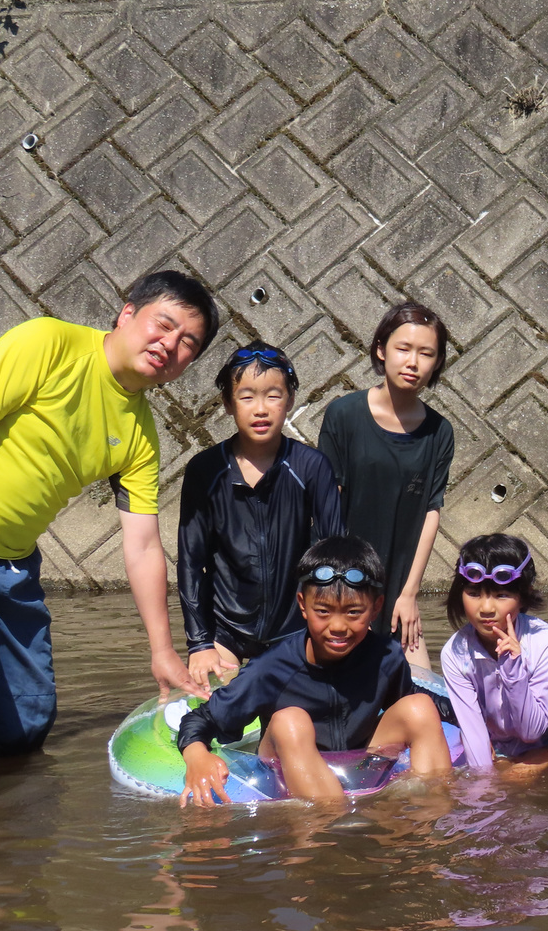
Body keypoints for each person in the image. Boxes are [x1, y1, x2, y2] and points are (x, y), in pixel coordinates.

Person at [0, 271, 219, 795]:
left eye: (188, 345)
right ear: (127, 312)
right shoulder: (47, 342)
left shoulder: (140, 435)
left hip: (11, 565)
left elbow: (140, 546)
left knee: (21, 729)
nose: (170, 346)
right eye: (165, 325)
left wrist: (162, 651)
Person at [177, 535, 452, 804]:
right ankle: (325, 831)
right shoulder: (271, 668)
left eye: (354, 612)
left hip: (358, 760)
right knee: (291, 721)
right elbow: (202, 719)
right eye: (323, 611)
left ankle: (429, 820)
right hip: (283, 767)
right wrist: (196, 755)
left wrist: (474, 719)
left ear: (376, 608)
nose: (338, 627)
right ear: (303, 605)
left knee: (420, 706)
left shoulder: (385, 657)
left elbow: (408, 698)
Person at [178, 342, 343, 688]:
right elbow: (191, 562)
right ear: (228, 403)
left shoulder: (311, 467)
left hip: (295, 629)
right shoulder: (205, 470)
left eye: (273, 396)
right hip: (226, 630)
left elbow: (335, 556)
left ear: (290, 401)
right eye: (247, 396)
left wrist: (330, 628)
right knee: (213, 708)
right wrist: (199, 643)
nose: (261, 409)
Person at [319, 302, 453, 670]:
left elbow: (430, 511)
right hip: (341, 584)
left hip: (397, 591)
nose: (413, 362)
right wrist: (333, 589)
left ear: (437, 362)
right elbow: (328, 504)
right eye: (403, 349)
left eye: (426, 353)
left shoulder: (439, 432)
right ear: (381, 349)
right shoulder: (344, 414)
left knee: (423, 698)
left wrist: (410, 594)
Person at [439, 534, 548, 772]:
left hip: (544, 747)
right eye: (474, 593)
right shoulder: (454, 653)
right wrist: (483, 793)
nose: (485, 608)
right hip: (496, 747)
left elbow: (531, 731)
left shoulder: (543, 642)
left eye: (501, 595)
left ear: (523, 596)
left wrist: (513, 667)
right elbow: (474, 735)